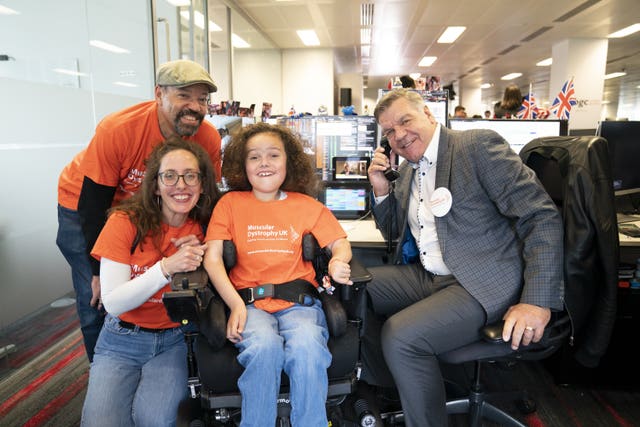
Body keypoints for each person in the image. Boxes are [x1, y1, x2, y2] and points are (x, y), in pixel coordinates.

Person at [360, 88, 564, 427]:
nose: (398, 135)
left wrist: (536, 301)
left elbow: (540, 217)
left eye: (404, 121)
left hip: (483, 281)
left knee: (402, 335)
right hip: (431, 276)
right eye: (389, 132)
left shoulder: (476, 146)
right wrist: (382, 190)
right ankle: (398, 387)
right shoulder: (410, 169)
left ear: (428, 114)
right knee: (352, 288)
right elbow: (396, 231)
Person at [56, 59, 222, 362]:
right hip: (84, 206)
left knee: (156, 280)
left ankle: (164, 358)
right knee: (97, 298)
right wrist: (96, 272)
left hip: (151, 210)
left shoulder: (207, 137)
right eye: (184, 96)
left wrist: (203, 238)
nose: (195, 106)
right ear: (159, 94)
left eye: (202, 99)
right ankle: (101, 365)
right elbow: (93, 204)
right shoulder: (119, 129)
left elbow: (206, 198)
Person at [202, 122, 353, 427]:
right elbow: (213, 260)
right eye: (254, 157)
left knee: (308, 347)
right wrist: (232, 304)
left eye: (273, 155)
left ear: (289, 161)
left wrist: (338, 261)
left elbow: (340, 243)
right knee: (264, 348)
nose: (264, 163)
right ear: (242, 165)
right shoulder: (229, 204)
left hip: (299, 304)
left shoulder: (307, 206)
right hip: (249, 305)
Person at [81, 137, 221, 426]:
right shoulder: (124, 221)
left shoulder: (209, 226)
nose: (180, 185)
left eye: (190, 176)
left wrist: (208, 255)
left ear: (202, 184)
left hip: (176, 340)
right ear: (155, 185)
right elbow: (114, 302)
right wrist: (166, 268)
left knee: (156, 420)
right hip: (121, 339)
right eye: (169, 176)